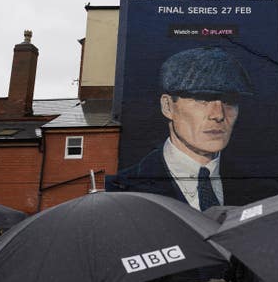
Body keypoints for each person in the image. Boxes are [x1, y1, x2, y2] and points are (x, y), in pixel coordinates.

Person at [106, 47, 253, 211]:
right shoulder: (121, 189)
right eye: (201, 99)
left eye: (229, 102)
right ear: (168, 106)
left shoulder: (258, 185)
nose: (218, 115)